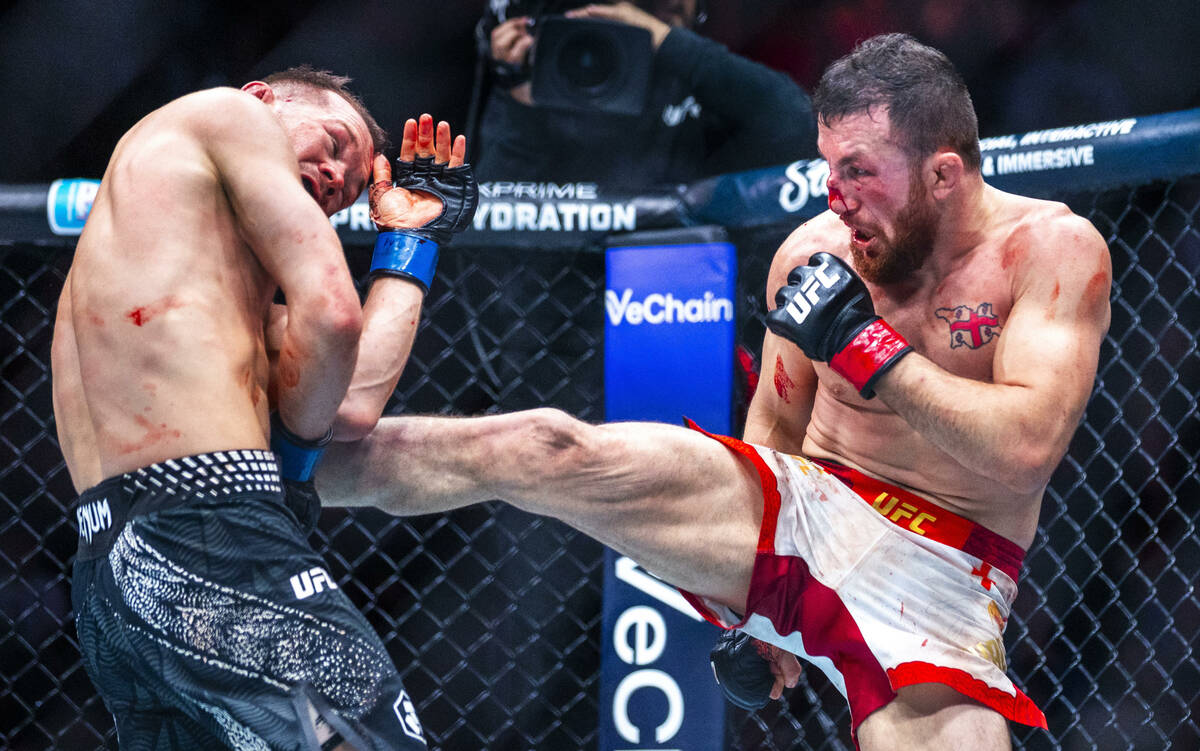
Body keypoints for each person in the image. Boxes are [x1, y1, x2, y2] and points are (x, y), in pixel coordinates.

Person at [316, 33, 1112, 749]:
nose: (835, 196)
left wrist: (869, 348)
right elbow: (775, 418)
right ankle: (272, 466)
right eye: (829, 166)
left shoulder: (1049, 249)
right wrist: (754, 602)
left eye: (860, 173)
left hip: (946, 564)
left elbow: (1024, 451)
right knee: (543, 445)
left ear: (943, 172)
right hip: (805, 503)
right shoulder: (818, 249)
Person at [52, 65, 476, 750]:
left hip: (109, 573)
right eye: (334, 141)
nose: (339, 176)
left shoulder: (210, 298)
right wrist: (297, 459)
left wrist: (412, 241)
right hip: (210, 534)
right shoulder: (228, 113)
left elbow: (355, 401)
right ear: (263, 97)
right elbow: (336, 316)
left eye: (347, 186)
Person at [473, 0, 817, 186]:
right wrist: (519, 94)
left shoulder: (709, 82)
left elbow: (799, 122)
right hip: (563, 287)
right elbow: (496, 203)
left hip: (691, 282)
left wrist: (666, 42)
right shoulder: (564, 72)